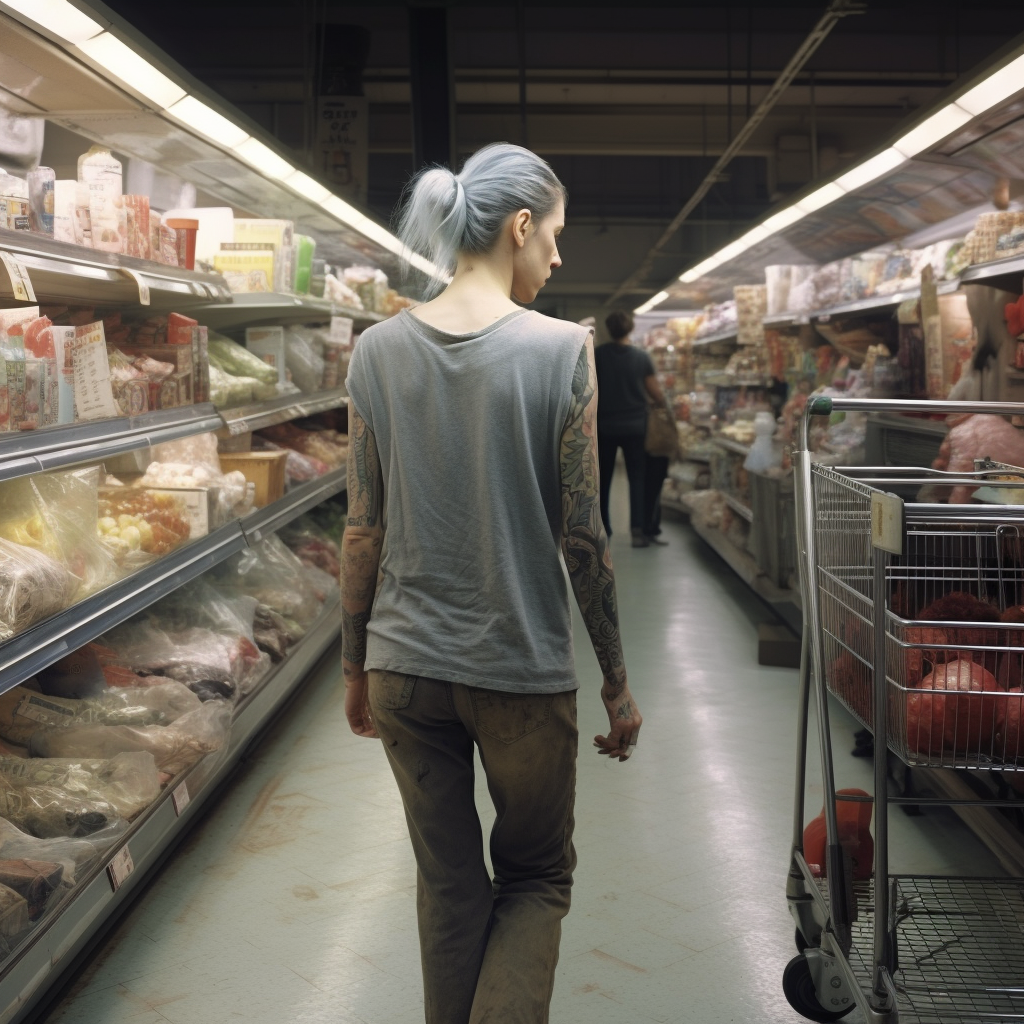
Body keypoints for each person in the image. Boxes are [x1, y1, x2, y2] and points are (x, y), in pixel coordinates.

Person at [341, 142, 643, 1024]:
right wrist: (616, 680)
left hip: (403, 668)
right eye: (553, 235)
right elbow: (583, 534)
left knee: (448, 887)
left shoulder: (376, 351)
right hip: (518, 670)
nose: (559, 255)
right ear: (518, 228)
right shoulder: (562, 351)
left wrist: (357, 667)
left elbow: (363, 530)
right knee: (537, 877)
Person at [595, 310, 670, 547]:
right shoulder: (641, 357)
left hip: (604, 426)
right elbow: (655, 392)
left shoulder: (597, 355)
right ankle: (637, 530)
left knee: (603, 479)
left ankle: (604, 528)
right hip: (636, 427)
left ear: (609, 329)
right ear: (630, 329)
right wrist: (661, 404)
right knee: (637, 478)